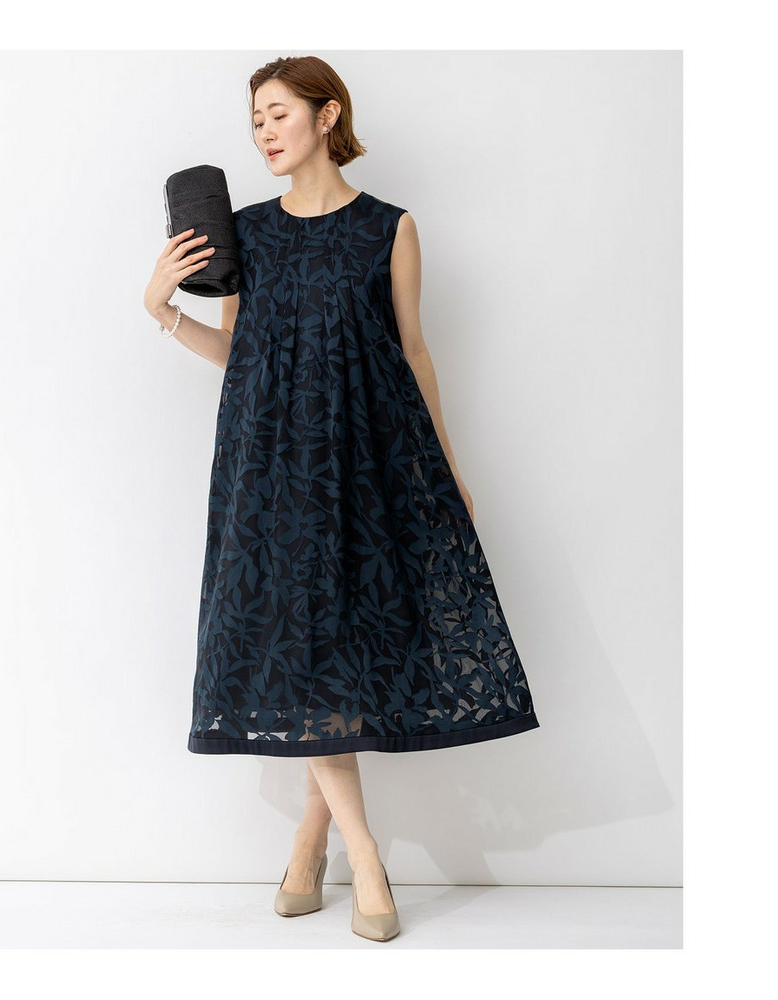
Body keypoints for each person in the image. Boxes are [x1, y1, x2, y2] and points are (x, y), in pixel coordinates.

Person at [144, 55, 540, 942]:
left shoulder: (390, 228)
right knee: (302, 648)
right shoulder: (247, 235)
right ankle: (364, 856)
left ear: (328, 116)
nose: (264, 132)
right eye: (255, 120)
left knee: (345, 649)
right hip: (270, 467)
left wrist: (450, 469)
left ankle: (307, 843)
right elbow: (240, 357)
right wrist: (163, 310)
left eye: (278, 113)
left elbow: (415, 352)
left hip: (370, 462)